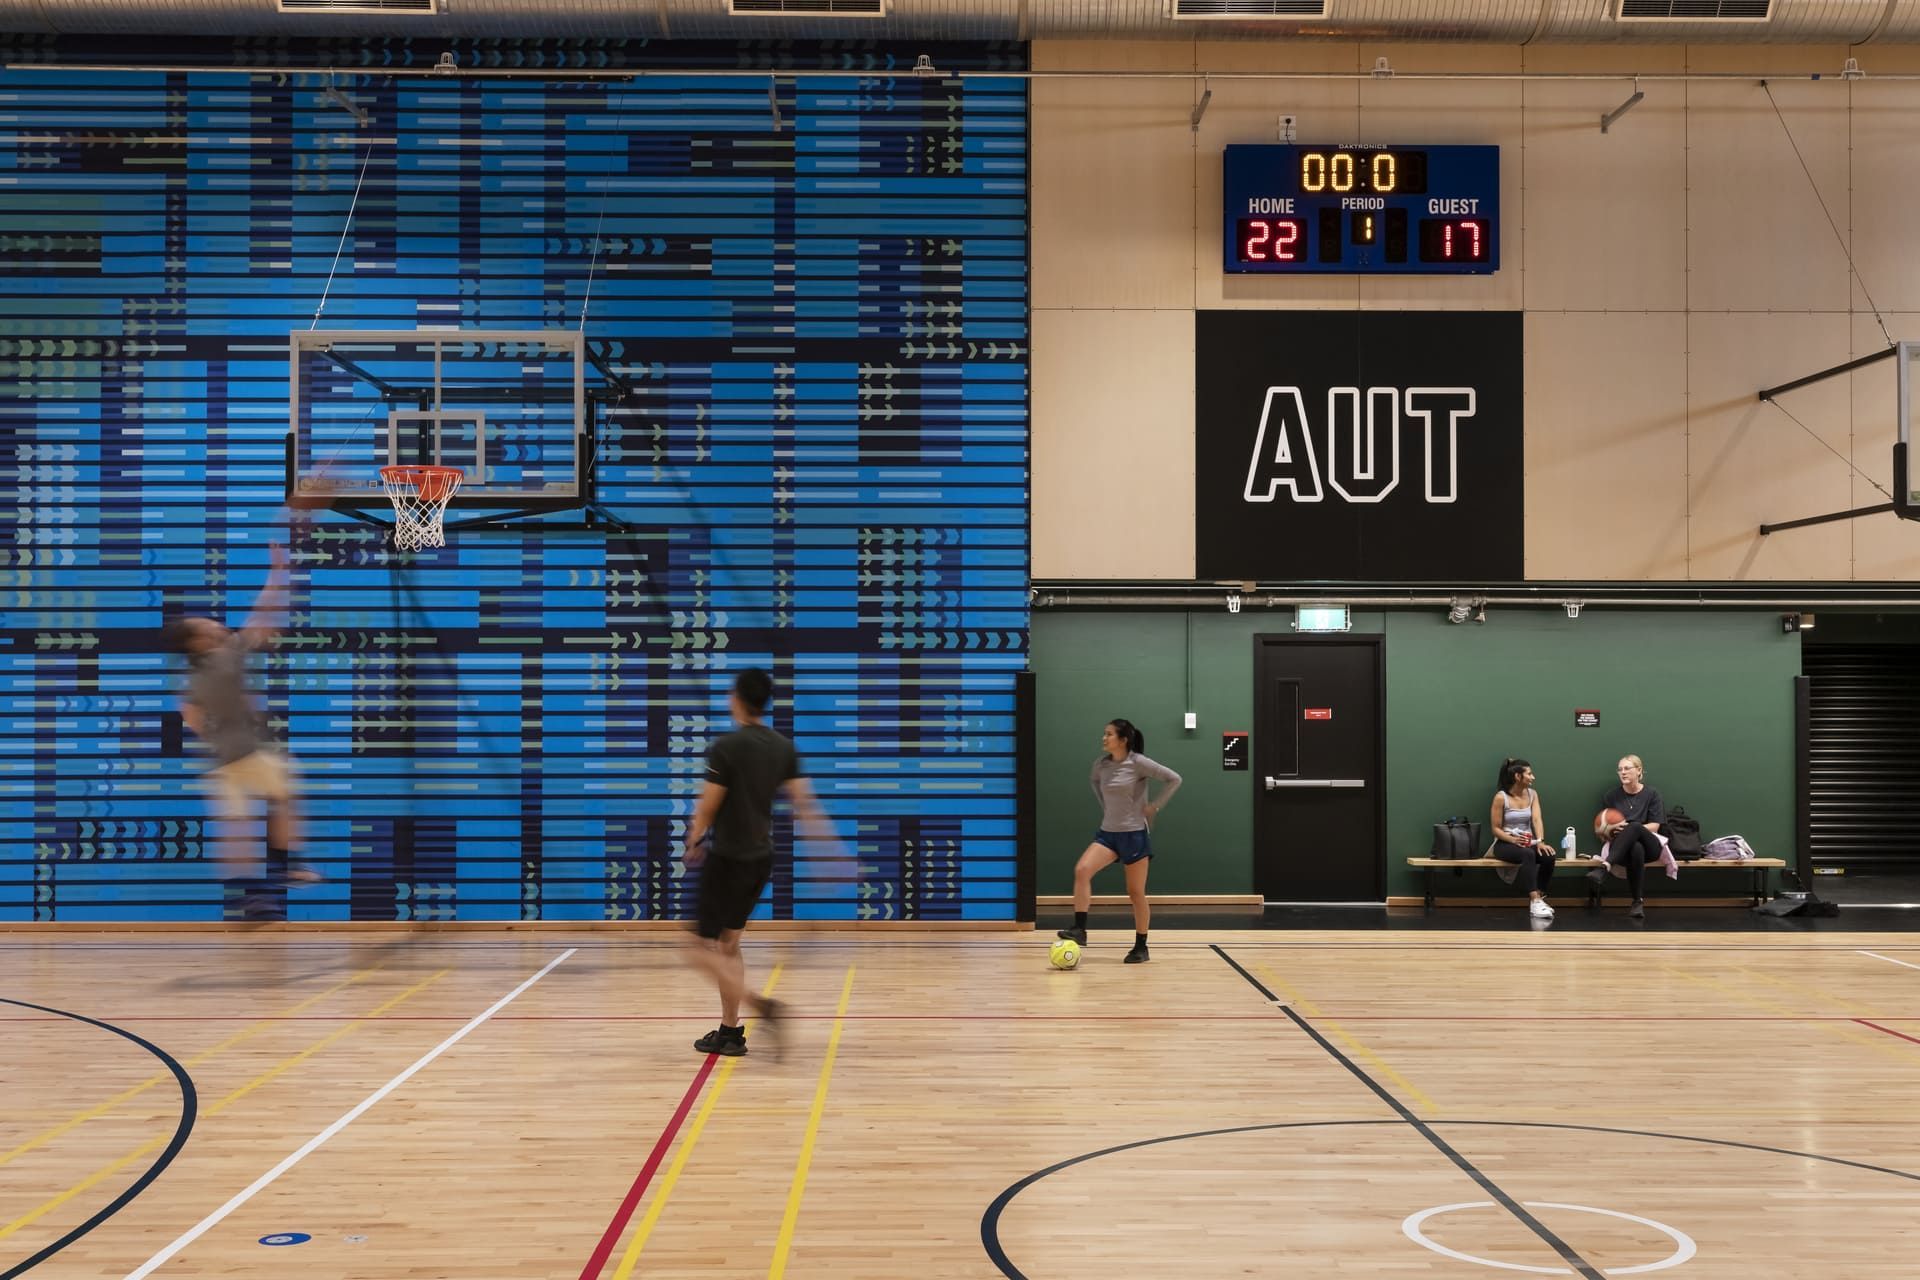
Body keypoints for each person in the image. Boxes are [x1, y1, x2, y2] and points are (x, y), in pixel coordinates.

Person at [163, 545, 319, 922]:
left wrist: (217, 733)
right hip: (250, 750)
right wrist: (279, 571)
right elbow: (262, 614)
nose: (217, 625)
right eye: (208, 625)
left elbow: (190, 714)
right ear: (200, 642)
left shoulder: (193, 676)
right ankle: (287, 866)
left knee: (236, 829)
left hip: (220, 760)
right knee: (286, 797)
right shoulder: (225, 653)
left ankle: (251, 899)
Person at [681, 667, 829, 1059]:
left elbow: (708, 806)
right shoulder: (783, 747)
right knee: (728, 944)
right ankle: (730, 1032)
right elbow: (804, 804)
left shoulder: (728, 747)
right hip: (761, 860)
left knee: (695, 947)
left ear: (738, 699)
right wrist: (828, 854)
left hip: (728, 859)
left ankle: (762, 1006)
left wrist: (694, 837)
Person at [1055, 718, 1181, 965]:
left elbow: (1174, 778)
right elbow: (1095, 783)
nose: (1104, 738)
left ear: (1123, 740)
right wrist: (1108, 810)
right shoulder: (1100, 766)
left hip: (1134, 835)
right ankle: (1080, 929)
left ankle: (1141, 947)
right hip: (1108, 834)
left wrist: (1154, 806)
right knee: (1082, 870)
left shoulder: (1138, 763)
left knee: (1135, 893)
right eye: (1104, 733)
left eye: (1109, 734)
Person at [1591, 753, 1667, 920]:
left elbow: (1655, 826)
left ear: (1639, 771)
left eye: (1627, 768)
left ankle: (1605, 867)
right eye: (1620, 769)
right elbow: (1603, 829)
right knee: (1635, 849)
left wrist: (1631, 829)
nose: (1623, 772)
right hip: (1622, 849)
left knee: (1634, 827)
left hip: (1651, 846)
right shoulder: (1611, 796)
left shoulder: (1652, 794)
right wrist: (1611, 832)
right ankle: (1637, 902)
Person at [1489, 757, 1556, 920]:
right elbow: (1495, 829)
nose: (1533, 777)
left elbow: (1536, 819)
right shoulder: (1501, 797)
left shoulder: (1532, 794)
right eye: (1529, 774)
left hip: (1527, 842)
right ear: (1518, 777)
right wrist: (1512, 840)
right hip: (1504, 843)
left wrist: (1540, 841)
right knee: (1528, 854)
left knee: (1548, 855)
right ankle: (1534, 899)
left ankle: (1538, 899)